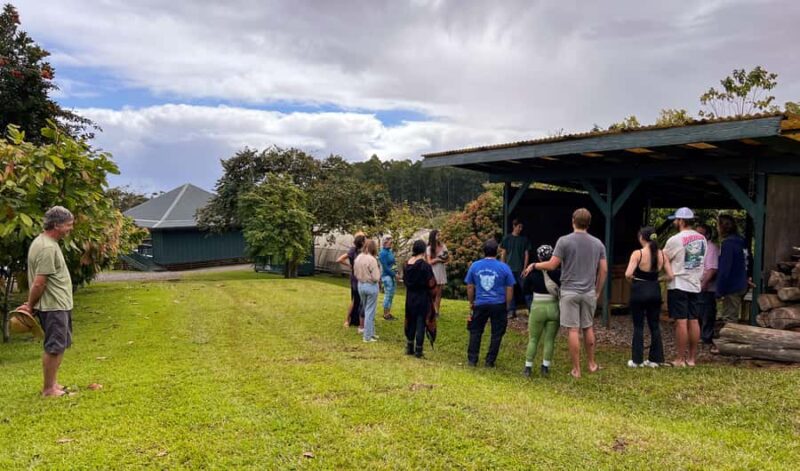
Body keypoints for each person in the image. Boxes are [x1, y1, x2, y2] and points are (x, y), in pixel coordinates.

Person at [523, 208, 607, 379]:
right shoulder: (598, 243)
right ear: (588, 223)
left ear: (573, 221)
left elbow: (552, 265)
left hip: (569, 292)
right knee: (588, 327)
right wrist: (597, 290)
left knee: (573, 330)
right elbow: (604, 269)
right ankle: (591, 364)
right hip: (589, 291)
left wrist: (535, 265)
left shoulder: (564, 241)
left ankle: (576, 369)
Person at [21, 206, 75, 397]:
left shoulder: (47, 243)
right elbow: (39, 282)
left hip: (58, 303)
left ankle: (53, 383)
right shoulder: (46, 247)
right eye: (68, 225)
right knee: (54, 346)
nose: (70, 228)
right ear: (57, 225)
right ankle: (49, 389)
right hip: (53, 305)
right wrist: (29, 305)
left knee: (58, 345)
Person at [663, 207, 707, 367]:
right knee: (693, 320)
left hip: (678, 283)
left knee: (681, 322)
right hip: (695, 283)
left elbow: (664, 257)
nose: (674, 222)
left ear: (681, 221)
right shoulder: (702, 239)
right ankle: (692, 358)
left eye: (676, 219)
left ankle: (680, 359)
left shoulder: (675, 239)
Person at [624, 227, 673, 368]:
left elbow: (628, 274)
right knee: (655, 325)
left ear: (642, 238)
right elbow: (670, 275)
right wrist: (659, 279)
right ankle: (655, 359)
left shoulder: (637, 253)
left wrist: (633, 281)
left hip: (639, 289)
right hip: (654, 290)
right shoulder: (662, 254)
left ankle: (637, 360)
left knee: (638, 326)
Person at [465, 239, 515, 367]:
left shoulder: (475, 266)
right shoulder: (504, 267)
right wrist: (507, 305)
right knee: (497, 333)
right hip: (498, 304)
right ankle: (490, 360)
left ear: (483, 251)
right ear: (497, 251)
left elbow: (470, 286)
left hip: (480, 303)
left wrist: (472, 302)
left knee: (475, 331)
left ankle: (472, 359)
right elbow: (509, 288)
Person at [521, 245, 561, 377]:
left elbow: (525, 289)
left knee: (533, 339)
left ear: (539, 257)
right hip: (554, 307)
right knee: (549, 340)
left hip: (538, 305)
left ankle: (528, 367)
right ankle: (545, 367)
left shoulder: (532, 272)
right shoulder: (557, 272)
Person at [403, 240, 437, 358]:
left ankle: (409, 347)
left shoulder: (406, 264)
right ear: (423, 250)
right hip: (422, 297)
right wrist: (433, 295)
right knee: (420, 323)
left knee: (410, 320)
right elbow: (432, 283)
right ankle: (419, 350)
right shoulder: (425, 266)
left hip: (410, 296)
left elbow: (405, 281)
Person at [716, 214, 748, 329]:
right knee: (732, 314)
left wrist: (719, 290)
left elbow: (725, 268)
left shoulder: (728, 244)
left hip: (732, 285)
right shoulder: (741, 241)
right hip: (742, 282)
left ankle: (728, 344)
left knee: (730, 318)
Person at [500, 219, 532, 319]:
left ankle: (531, 310)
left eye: (521, 227)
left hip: (520, 270)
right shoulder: (507, 238)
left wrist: (525, 268)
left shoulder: (524, 239)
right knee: (510, 291)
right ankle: (511, 311)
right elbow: (503, 253)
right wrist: (503, 267)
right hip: (509, 269)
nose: (520, 229)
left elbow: (527, 254)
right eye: (519, 227)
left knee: (526, 289)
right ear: (514, 226)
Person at [695, 223, 719, 349]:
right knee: (697, 312)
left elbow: (712, 269)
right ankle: (698, 335)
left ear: (707, 235)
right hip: (695, 285)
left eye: (700, 234)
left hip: (706, 287)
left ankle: (706, 337)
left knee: (706, 313)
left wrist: (704, 283)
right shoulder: (696, 247)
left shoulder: (711, 248)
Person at [337, 232, 366, 331]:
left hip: (354, 277)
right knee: (356, 300)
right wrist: (350, 266)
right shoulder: (359, 251)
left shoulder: (353, 250)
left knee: (357, 300)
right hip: (359, 278)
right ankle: (348, 320)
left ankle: (353, 320)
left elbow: (339, 259)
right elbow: (339, 259)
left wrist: (350, 266)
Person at [354, 239, 381, 343]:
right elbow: (376, 277)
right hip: (371, 286)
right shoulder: (372, 259)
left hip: (360, 285)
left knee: (367, 309)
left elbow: (355, 272)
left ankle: (371, 332)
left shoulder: (358, 257)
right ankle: (367, 337)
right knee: (370, 311)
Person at [427, 230, 448, 317]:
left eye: (440, 235)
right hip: (433, 271)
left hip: (441, 271)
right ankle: (430, 310)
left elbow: (447, 258)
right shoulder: (429, 248)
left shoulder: (443, 246)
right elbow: (429, 262)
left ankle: (436, 311)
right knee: (432, 292)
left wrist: (443, 259)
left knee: (439, 293)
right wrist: (438, 259)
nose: (439, 237)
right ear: (433, 236)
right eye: (437, 235)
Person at [378, 235, 397, 321]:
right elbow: (385, 267)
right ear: (385, 242)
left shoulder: (390, 251)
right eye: (390, 241)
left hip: (392, 275)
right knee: (388, 294)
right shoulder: (382, 253)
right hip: (386, 276)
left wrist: (395, 272)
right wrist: (394, 274)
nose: (391, 243)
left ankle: (388, 313)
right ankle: (385, 314)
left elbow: (393, 263)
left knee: (391, 295)